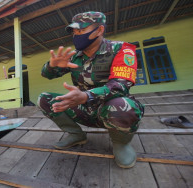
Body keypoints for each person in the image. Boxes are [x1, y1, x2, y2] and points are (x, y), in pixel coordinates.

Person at [37, 11, 144, 168]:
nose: (76, 35)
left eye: (81, 30)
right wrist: (51, 66)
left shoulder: (121, 49)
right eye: (74, 31)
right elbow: (47, 75)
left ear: (99, 30)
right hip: (84, 109)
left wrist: (87, 96)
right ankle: (76, 134)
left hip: (110, 110)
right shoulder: (75, 56)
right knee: (44, 99)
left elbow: (120, 86)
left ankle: (121, 144)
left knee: (122, 106)